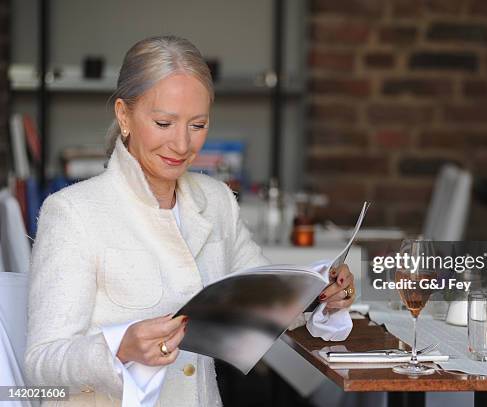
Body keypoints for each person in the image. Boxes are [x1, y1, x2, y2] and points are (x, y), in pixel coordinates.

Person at [24, 35, 356, 406]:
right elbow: (41, 364)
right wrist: (120, 347)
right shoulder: (73, 213)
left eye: (197, 126)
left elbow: (266, 301)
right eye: (164, 123)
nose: (182, 145)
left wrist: (319, 296)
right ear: (124, 115)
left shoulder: (216, 201)